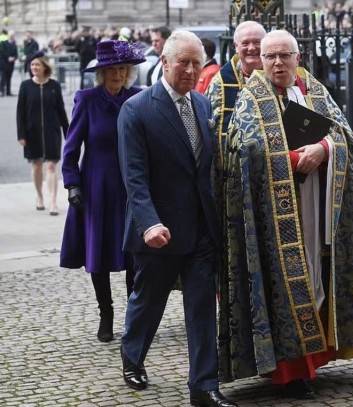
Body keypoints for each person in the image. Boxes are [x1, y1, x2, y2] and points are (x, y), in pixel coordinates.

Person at [220, 30, 353, 399]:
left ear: (298, 57)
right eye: (270, 57)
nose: (277, 63)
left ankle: (318, 355)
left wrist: (323, 148)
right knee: (284, 285)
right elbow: (240, 151)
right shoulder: (251, 99)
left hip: (318, 207)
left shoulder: (315, 91)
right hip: (273, 219)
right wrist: (289, 161)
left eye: (284, 55)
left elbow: (345, 135)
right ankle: (292, 367)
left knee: (318, 275)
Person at [117, 30, 236, 407]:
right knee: (148, 300)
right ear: (164, 62)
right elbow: (134, 177)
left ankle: (203, 386)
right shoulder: (137, 109)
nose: (189, 69)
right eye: (181, 62)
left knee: (202, 308)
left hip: (201, 229)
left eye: (195, 63)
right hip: (159, 231)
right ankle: (132, 354)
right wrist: (149, 223)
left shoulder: (202, 105)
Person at [60, 40, 146, 343]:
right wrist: (72, 184)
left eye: (123, 69)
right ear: (102, 73)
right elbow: (70, 150)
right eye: (112, 70)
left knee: (134, 254)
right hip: (97, 185)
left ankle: (133, 317)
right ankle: (106, 313)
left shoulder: (137, 99)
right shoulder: (87, 100)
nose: (118, 75)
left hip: (131, 185)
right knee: (99, 252)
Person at [204, 20, 265, 175]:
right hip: (232, 171)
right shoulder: (220, 83)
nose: (251, 48)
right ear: (236, 47)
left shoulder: (279, 76)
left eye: (257, 42)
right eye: (245, 43)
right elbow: (210, 130)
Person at [16, 51, 69, 215]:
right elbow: (20, 112)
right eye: (32, 65)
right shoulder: (25, 86)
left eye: (37, 64)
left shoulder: (54, 86)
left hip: (51, 131)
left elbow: (61, 110)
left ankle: (53, 202)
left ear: (45, 67)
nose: (34, 67)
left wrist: (69, 133)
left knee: (52, 166)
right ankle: (39, 197)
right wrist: (21, 134)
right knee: (37, 166)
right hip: (32, 133)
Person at [0, 31, 17, 96]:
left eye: (13, 35)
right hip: (4, 63)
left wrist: (14, 58)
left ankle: (8, 92)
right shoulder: (3, 43)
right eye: (11, 35)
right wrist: (8, 58)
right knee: (3, 78)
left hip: (11, 64)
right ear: (8, 36)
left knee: (9, 78)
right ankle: (1, 91)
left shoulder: (14, 45)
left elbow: (16, 54)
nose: (12, 36)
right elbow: (2, 52)